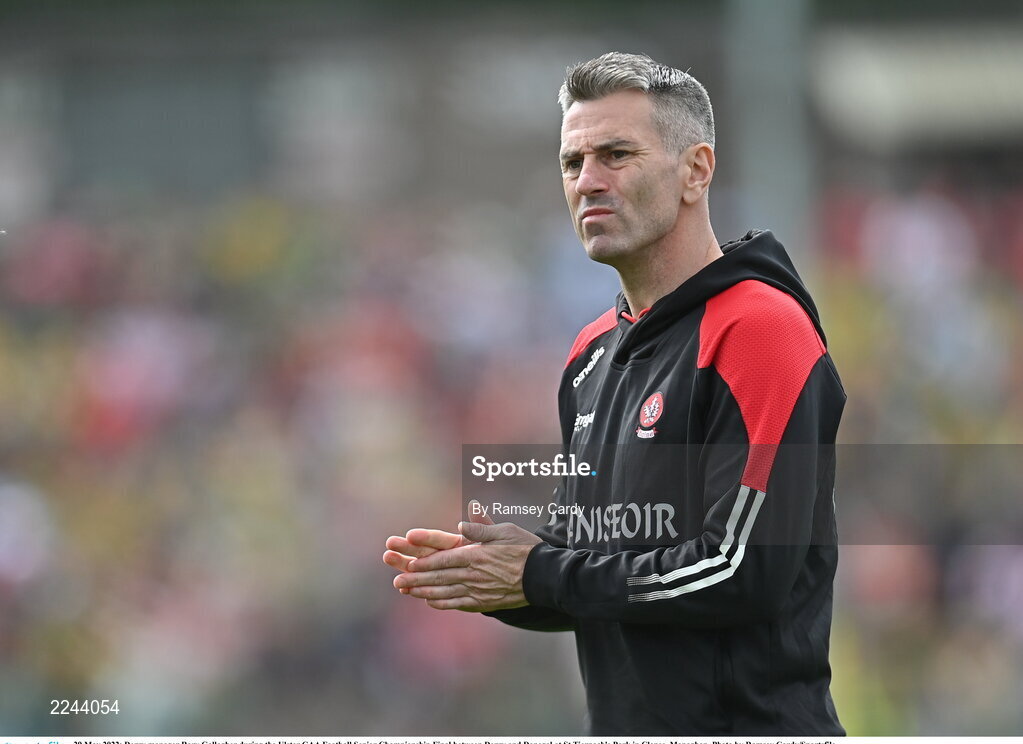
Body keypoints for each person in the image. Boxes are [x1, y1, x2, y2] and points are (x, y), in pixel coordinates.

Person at [382, 52, 846, 736]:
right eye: (572, 164)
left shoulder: (757, 327)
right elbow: (596, 568)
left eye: (616, 154)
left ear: (695, 170)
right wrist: (494, 577)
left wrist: (542, 574)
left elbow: (741, 570)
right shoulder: (588, 354)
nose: (588, 182)